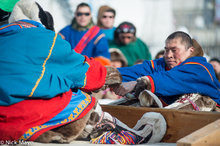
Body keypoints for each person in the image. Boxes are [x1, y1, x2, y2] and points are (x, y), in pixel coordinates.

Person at [0, 0, 166, 144]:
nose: (82, 16)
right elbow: (82, 70)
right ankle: (118, 135)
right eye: (80, 13)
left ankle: (47, 134)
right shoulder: (45, 36)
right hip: (24, 119)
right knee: (81, 99)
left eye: (86, 13)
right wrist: (113, 76)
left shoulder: (94, 34)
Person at [112, 31, 220, 108]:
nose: (168, 55)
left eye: (174, 50)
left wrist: (137, 84)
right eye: (166, 50)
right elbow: (138, 70)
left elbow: (170, 79)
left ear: (190, 50)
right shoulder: (162, 64)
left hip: (211, 123)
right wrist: (105, 75)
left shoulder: (200, 68)